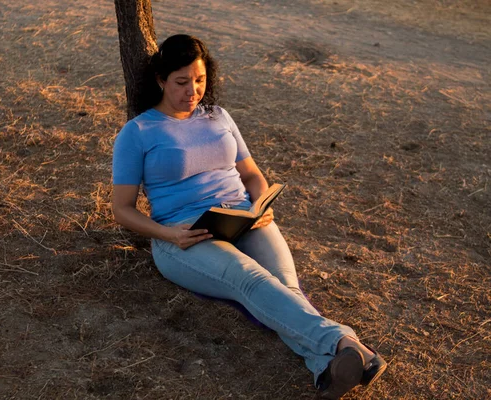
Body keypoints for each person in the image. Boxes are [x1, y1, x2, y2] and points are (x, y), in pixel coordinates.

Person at [111, 34, 387, 399]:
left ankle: (328, 368)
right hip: (184, 236)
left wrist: (261, 203)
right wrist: (167, 235)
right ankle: (344, 342)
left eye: (200, 80)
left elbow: (252, 174)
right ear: (161, 80)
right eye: (181, 82)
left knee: (286, 287)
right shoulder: (138, 133)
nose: (192, 91)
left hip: (244, 217)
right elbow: (122, 209)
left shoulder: (218, 116)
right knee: (251, 280)